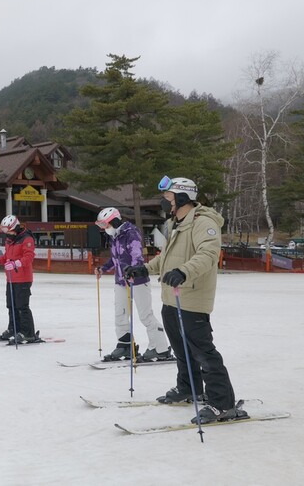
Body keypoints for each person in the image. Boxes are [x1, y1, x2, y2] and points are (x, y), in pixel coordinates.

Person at [125, 176, 245, 424]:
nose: (165, 203)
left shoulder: (203, 223)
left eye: (168, 198)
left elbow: (209, 254)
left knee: (203, 352)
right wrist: (144, 269)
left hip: (192, 297)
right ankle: (189, 388)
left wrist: (183, 272)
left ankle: (222, 404)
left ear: (181, 198)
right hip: (171, 298)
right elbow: (166, 259)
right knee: (181, 351)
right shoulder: (177, 224)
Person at [95, 207, 171, 362]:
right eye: (102, 226)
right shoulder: (114, 236)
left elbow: (137, 257)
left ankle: (160, 348)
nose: (104, 229)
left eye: (105, 225)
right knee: (120, 314)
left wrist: (133, 271)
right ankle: (125, 345)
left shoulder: (131, 233)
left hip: (137, 281)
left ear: (115, 221)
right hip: (120, 281)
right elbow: (115, 259)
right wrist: (103, 269)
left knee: (145, 315)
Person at [0, 215, 41, 344]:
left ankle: (28, 333)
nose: (7, 234)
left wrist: (16, 264)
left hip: (23, 278)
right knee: (11, 306)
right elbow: (6, 257)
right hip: (11, 278)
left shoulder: (26, 239)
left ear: (15, 227)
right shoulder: (10, 240)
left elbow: (29, 257)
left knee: (22, 306)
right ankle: (13, 329)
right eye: (5, 231)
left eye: (8, 231)